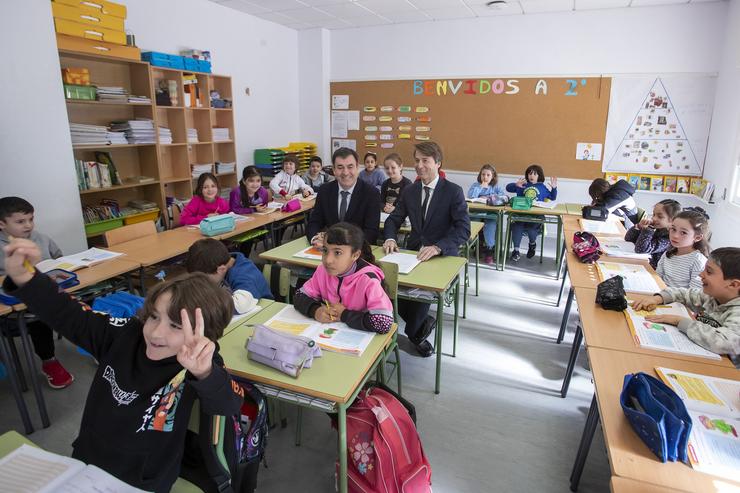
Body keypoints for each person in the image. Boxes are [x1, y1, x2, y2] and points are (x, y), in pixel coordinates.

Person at [2, 238, 243, 493]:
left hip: (145, 480)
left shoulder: (201, 364)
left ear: (205, 334)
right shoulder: (125, 335)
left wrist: (204, 373)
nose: (156, 333)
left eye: (175, 326)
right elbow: (69, 315)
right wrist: (26, 277)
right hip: (87, 459)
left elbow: (228, 404)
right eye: (153, 316)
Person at [383, 141, 470, 357]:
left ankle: (414, 333)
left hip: (440, 258)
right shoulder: (410, 191)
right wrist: (390, 238)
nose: (420, 165)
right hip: (412, 254)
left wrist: (439, 247)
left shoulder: (453, 191)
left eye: (425, 161)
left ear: (438, 163)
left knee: (419, 301)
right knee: (393, 292)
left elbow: (463, 230)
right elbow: (393, 220)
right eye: (417, 160)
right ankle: (420, 329)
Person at [0, 197, 74, 388]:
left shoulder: (41, 238)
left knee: (82, 298)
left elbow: (59, 258)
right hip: (15, 307)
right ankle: (49, 361)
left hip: (49, 291)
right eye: (20, 221)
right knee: (38, 314)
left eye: (31, 219)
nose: (28, 225)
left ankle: (94, 346)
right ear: (2, 224)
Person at [632, 247, 740, 358]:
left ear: (733, 285)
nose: (700, 274)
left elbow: (723, 343)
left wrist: (679, 321)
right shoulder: (712, 297)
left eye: (709, 271)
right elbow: (683, 294)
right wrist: (657, 298)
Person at [294, 222, 393, 334]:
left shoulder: (368, 280)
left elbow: (383, 323)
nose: (328, 260)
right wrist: (315, 310)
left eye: (337, 252)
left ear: (355, 255)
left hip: (360, 338)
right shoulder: (323, 271)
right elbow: (299, 295)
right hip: (329, 333)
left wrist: (344, 314)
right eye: (325, 251)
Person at [307, 147, 382, 248]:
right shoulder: (325, 190)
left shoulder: (371, 193)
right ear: (333, 170)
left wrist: (341, 245)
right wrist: (315, 239)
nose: (345, 172)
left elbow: (371, 232)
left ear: (357, 168)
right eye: (340, 167)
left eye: (350, 167)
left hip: (358, 251)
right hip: (328, 251)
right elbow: (314, 222)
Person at [185, 238, 273, 311]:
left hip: (264, 312)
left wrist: (205, 302)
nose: (202, 283)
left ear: (221, 269)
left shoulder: (243, 275)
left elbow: (241, 305)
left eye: (204, 279)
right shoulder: (219, 260)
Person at [506, 164, 558, 261]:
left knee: (531, 229)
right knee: (517, 227)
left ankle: (532, 244)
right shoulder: (524, 185)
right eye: (530, 173)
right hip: (521, 215)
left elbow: (552, 197)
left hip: (536, 217)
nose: (531, 176)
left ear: (539, 176)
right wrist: (516, 185)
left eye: (534, 174)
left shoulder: (542, 187)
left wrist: (554, 188)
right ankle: (516, 251)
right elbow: (508, 188)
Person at [656, 207, 710, 289]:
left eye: (683, 232)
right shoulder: (668, 253)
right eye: (673, 229)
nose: (675, 236)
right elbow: (657, 277)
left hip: (677, 300)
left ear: (697, 237)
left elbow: (694, 294)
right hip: (660, 294)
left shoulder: (698, 261)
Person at [624, 199, 681, 268]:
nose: (654, 218)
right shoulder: (657, 230)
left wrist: (648, 230)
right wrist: (638, 227)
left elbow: (641, 249)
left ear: (672, 221)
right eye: (653, 214)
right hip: (641, 263)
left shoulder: (668, 239)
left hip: (653, 271)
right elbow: (628, 239)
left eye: (660, 216)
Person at [468, 164, 506, 265]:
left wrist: (492, 197)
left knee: (490, 226)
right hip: (476, 213)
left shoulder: (496, 187)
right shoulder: (476, 185)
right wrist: (480, 187)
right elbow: (470, 196)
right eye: (483, 174)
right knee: (474, 224)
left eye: (488, 175)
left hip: (490, 214)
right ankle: (476, 245)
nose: (485, 177)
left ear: (493, 176)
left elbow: (503, 197)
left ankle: (490, 250)